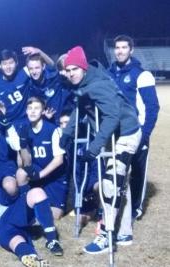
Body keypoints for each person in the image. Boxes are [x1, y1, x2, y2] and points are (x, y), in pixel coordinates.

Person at [60, 46, 141, 253]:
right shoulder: (83, 84)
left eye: (74, 69)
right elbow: (80, 109)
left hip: (125, 133)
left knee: (110, 183)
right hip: (111, 135)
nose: (71, 74)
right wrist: (67, 134)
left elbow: (112, 117)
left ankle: (106, 235)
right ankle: (124, 231)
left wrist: (94, 148)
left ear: (83, 67)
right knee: (120, 182)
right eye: (67, 70)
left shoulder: (98, 85)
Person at [108, 35, 160, 220]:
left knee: (137, 173)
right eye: (117, 47)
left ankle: (135, 208)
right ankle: (113, 206)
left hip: (137, 133)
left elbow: (152, 108)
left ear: (131, 50)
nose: (120, 51)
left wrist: (144, 136)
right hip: (115, 134)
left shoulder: (141, 74)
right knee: (116, 171)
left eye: (124, 47)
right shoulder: (110, 73)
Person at [10, 97, 67, 219]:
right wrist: (23, 145)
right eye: (30, 108)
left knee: (54, 215)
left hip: (54, 176)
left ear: (43, 111)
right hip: (36, 169)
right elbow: (23, 163)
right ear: (26, 111)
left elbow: (59, 159)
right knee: (20, 173)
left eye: (36, 108)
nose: (33, 111)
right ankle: (23, 204)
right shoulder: (23, 129)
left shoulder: (54, 130)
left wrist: (40, 175)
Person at [25, 53, 73, 125]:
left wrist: (39, 51)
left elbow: (54, 65)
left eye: (37, 68)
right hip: (49, 122)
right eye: (31, 69)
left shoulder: (55, 76)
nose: (34, 72)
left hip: (66, 119)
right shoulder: (29, 86)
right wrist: (43, 114)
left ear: (43, 66)